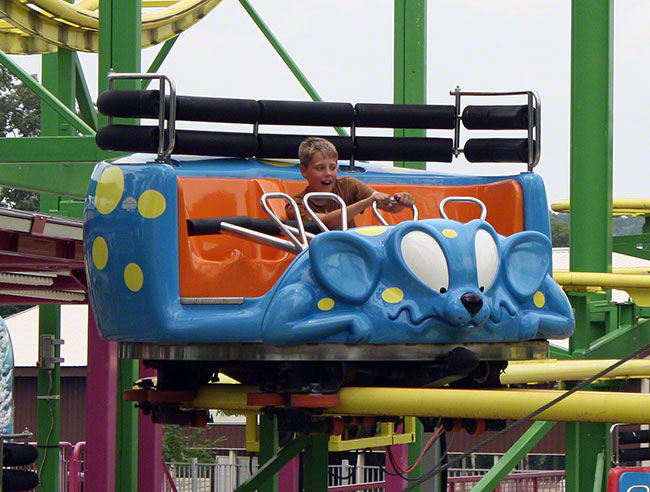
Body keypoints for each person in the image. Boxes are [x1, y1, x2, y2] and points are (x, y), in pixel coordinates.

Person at [286, 137, 415, 229]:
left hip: (351, 252)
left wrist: (401, 201)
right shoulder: (295, 204)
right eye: (320, 168)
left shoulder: (348, 185)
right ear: (304, 171)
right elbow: (326, 222)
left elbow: (389, 207)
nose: (328, 173)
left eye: (333, 167)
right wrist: (365, 202)